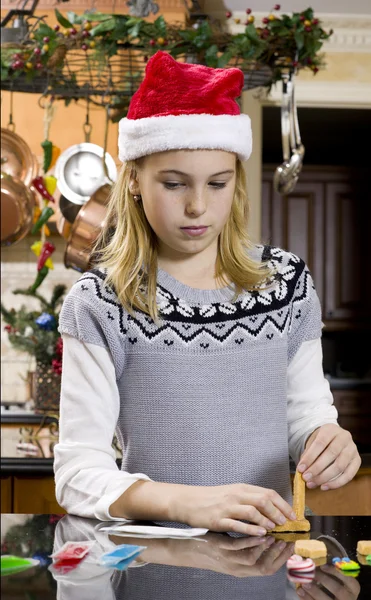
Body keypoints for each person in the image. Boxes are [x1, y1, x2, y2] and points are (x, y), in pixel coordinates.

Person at [54, 51, 361, 536]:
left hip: (269, 563)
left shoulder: (287, 284)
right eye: (174, 184)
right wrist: (187, 504)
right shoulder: (100, 303)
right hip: (155, 568)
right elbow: (78, 475)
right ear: (133, 180)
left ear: (235, 182)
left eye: (218, 183)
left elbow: (306, 417)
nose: (198, 207)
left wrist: (327, 440)